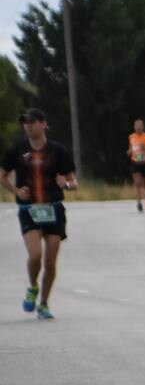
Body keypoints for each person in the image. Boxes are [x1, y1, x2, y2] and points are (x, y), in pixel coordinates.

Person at [3, 109, 79, 320]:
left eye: (32, 122)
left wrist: (67, 184)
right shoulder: (17, 150)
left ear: (44, 124)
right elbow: (2, 175)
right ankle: (32, 287)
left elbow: (74, 183)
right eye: (25, 122)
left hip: (53, 208)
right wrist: (16, 191)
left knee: (50, 262)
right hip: (29, 210)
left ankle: (44, 303)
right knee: (35, 255)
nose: (28, 126)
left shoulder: (58, 151)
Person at [127, 118, 145, 211]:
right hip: (135, 161)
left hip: (144, 162)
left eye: (140, 125)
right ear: (134, 127)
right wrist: (129, 151)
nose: (138, 127)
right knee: (137, 183)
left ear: (143, 127)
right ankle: (139, 203)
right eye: (136, 126)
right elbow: (131, 148)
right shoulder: (131, 137)